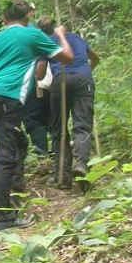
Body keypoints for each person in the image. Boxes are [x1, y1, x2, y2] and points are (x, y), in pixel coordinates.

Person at [0, 0, 74, 231]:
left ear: (3, 19)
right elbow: (67, 58)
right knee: (6, 155)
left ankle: (15, 195)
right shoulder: (33, 35)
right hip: (8, 97)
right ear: (28, 16)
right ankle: (3, 217)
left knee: (19, 142)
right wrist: (61, 36)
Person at [36, 16, 101, 187]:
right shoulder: (76, 38)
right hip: (83, 80)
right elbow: (96, 58)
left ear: (42, 32)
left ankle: (62, 175)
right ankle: (81, 164)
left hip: (61, 81)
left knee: (59, 129)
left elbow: (40, 73)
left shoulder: (47, 43)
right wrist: (85, 72)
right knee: (82, 124)